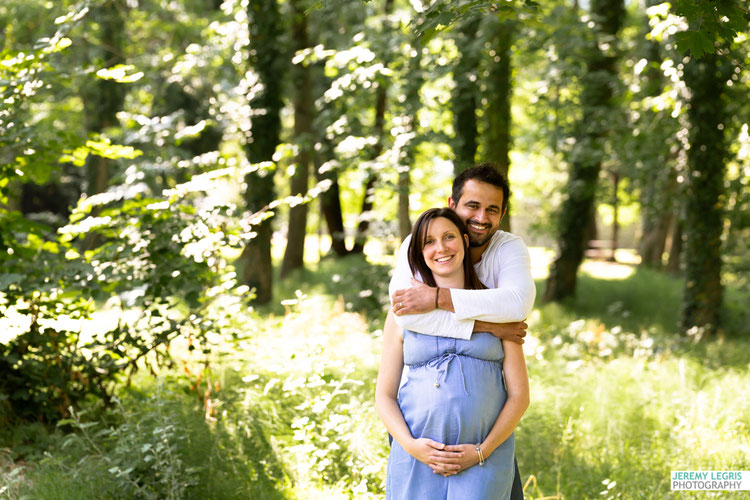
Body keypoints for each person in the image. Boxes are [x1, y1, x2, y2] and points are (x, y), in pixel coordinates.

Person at [386, 163, 536, 497]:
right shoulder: (416, 244)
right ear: (453, 204)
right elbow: (406, 317)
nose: (482, 216)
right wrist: (489, 326)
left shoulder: (507, 252)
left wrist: (437, 298)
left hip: (483, 453)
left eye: (492, 209)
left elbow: (517, 306)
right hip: (418, 449)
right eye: (472, 205)